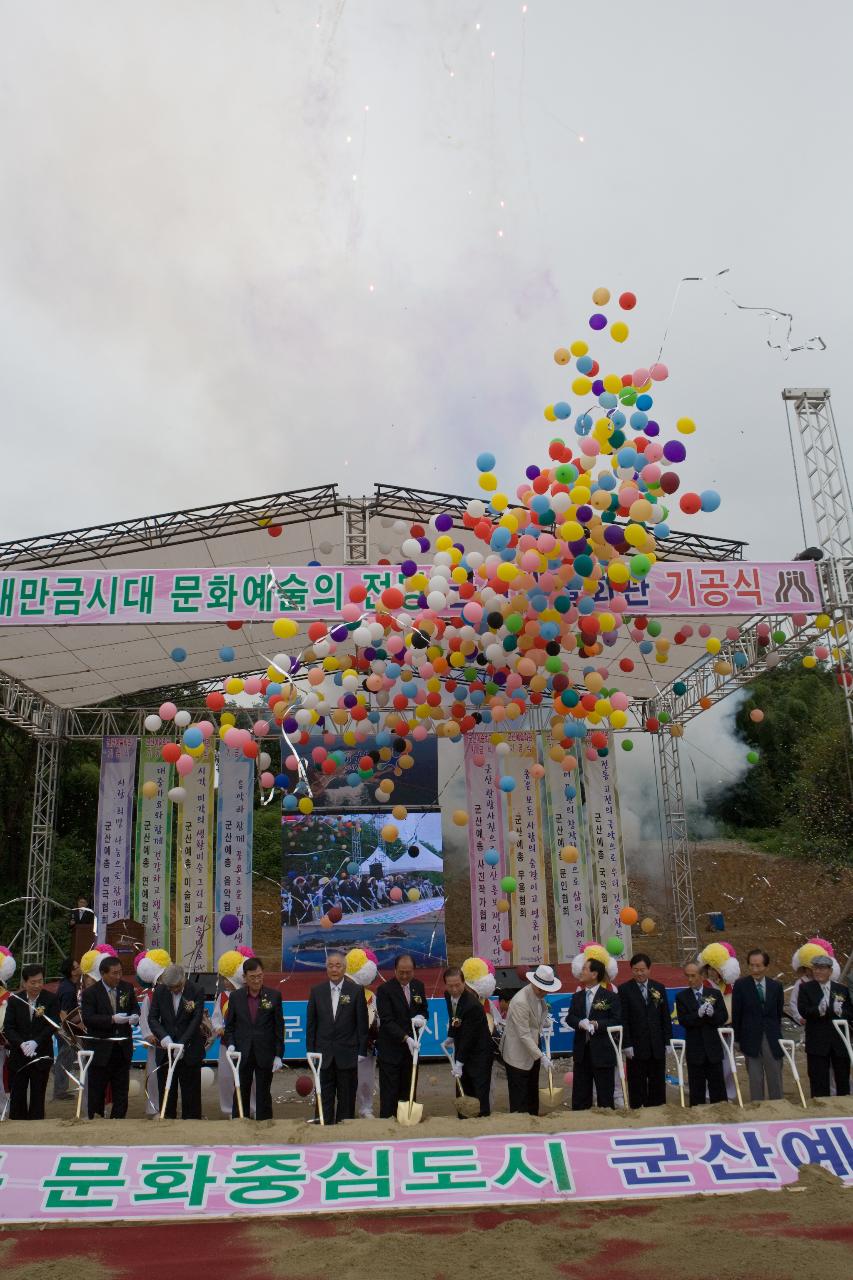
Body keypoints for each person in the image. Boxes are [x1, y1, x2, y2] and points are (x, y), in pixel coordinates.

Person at [306, 951, 368, 1124]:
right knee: (323, 1094)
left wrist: (361, 1050)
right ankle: (322, 1127)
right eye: (330, 966)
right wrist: (310, 1051)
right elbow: (311, 1024)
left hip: (347, 1053)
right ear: (326, 968)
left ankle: (345, 1129)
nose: (334, 969)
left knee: (346, 1095)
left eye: (338, 965)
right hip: (322, 1054)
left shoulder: (355, 991)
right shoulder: (317, 991)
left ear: (345, 968)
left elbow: (361, 1024)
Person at [223, 957, 284, 1120]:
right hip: (243, 1052)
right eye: (253, 977)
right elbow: (230, 1026)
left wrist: (279, 1054)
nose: (257, 980)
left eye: (260, 976)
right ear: (245, 977)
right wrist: (231, 1044)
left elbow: (279, 1028)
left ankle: (265, 1125)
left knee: (264, 1091)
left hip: (265, 1052)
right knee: (241, 1089)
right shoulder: (235, 997)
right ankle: (239, 1121)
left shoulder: (274, 996)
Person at [81, 955, 140, 1119]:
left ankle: (118, 1119)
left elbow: (135, 1007)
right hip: (100, 1048)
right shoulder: (91, 993)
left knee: (121, 1088)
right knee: (97, 1088)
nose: (118, 977)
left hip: (122, 1048)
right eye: (114, 973)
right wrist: (111, 1019)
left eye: (120, 972)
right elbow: (88, 1018)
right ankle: (96, 1117)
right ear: (103, 973)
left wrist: (134, 1016)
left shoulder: (127, 988)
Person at [501, 964, 560, 1115]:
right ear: (533, 983)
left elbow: (535, 1020)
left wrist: (544, 1022)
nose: (543, 992)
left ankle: (534, 1121)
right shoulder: (521, 1001)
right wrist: (542, 1056)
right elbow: (523, 1035)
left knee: (532, 1091)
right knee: (519, 1096)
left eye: (546, 989)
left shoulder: (539, 997)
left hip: (533, 1049)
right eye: (540, 989)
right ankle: (521, 1128)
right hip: (517, 1054)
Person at [148, 964, 206, 1119]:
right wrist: (164, 1037)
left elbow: (196, 1020)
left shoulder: (196, 990)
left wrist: (182, 1043)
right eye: (170, 987)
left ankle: (191, 1127)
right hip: (165, 1052)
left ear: (183, 979)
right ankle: (167, 1125)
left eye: (176, 986)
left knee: (191, 1096)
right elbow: (152, 1018)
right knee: (167, 1094)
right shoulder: (160, 991)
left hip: (190, 1050)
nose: (173, 990)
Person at [3, 964, 60, 1119]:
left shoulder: (51, 999)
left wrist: (36, 1042)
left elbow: (53, 1025)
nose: (37, 985)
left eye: (40, 981)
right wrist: (21, 1043)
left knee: (38, 1095)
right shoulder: (15, 1000)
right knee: (18, 1095)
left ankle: (36, 1126)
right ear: (24, 983)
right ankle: (17, 1126)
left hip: (41, 1054)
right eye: (33, 982)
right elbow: (8, 1027)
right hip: (18, 1056)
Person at [375, 953, 427, 1118]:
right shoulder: (384, 990)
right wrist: (406, 1038)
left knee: (409, 1087)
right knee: (390, 1091)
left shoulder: (418, 986)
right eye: (401, 972)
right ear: (395, 970)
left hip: (412, 1052)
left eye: (408, 972)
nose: (405, 976)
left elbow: (424, 1009)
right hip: (391, 1049)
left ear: (414, 970)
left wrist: (421, 1018)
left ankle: (407, 1120)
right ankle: (388, 1122)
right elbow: (387, 1021)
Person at [617, 953, 671, 1108]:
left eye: (642, 970)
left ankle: (658, 1108)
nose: (639, 973)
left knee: (657, 1081)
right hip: (636, 1045)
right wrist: (626, 1044)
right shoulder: (625, 990)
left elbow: (665, 1016)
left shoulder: (658, 988)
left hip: (656, 1044)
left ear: (649, 969)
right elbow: (624, 1020)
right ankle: (637, 1110)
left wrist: (667, 1041)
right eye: (635, 970)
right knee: (636, 1081)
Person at [567, 957, 620, 1110]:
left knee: (605, 1095)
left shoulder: (610, 996)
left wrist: (597, 1024)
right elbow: (570, 1017)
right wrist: (579, 1023)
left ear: (594, 974)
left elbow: (616, 1020)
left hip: (603, 1051)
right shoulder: (577, 996)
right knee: (580, 1095)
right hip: (582, 1052)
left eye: (584, 969)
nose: (581, 972)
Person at [731, 949, 784, 1102]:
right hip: (750, 1037)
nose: (755, 970)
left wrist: (776, 1034)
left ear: (766, 966)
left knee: (774, 1073)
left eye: (758, 966)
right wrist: (738, 1039)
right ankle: (757, 1107)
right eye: (752, 966)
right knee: (755, 1077)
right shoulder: (741, 986)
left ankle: (778, 1105)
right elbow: (737, 1014)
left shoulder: (776, 986)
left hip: (771, 1037)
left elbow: (777, 1013)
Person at [797, 954, 853, 1098]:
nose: (818, 972)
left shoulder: (841, 989)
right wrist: (819, 1010)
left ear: (830, 971)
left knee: (842, 1079)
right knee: (818, 1080)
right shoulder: (806, 988)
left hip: (839, 1041)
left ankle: (843, 1110)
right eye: (816, 968)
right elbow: (803, 1010)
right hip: (817, 1041)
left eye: (822, 969)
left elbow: (850, 1012)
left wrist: (840, 1011)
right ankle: (820, 1109)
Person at [674, 962, 728, 1106]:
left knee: (718, 1089)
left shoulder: (714, 994)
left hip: (713, 1049)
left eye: (693, 976)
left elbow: (723, 1017)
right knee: (696, 1089)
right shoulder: (682, 997)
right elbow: (683, 1020)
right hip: (695, 1049)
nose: (690, 979)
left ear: (702, 976)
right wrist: (697, 1015)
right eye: (688, 976)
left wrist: (713, 1014)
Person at [443, 965, 494, 1116]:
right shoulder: (448, 995)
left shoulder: (472, 1005)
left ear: (464, 983)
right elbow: (454, 1017)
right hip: (463, 1047)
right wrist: (451, 1035)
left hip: (480, 1053)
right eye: (450, 986)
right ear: (446, 984)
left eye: (457, 985)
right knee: (463, 1088)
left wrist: (459, 1062)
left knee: (479, 1091)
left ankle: (482, 1119)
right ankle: (463, 1120)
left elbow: (469, 1037)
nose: (454, 989)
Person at [52, 956, 81, 1101]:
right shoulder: (68, 989)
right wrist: (68, 1032)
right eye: (76, 967)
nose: (80, 967)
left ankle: (57, 1073)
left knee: (68, 1056)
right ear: (72, 972)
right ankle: (59, 1091)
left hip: (62, 1027)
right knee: (66, 1057)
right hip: (64, 1028)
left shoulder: (67, 984)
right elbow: (63, 1012)